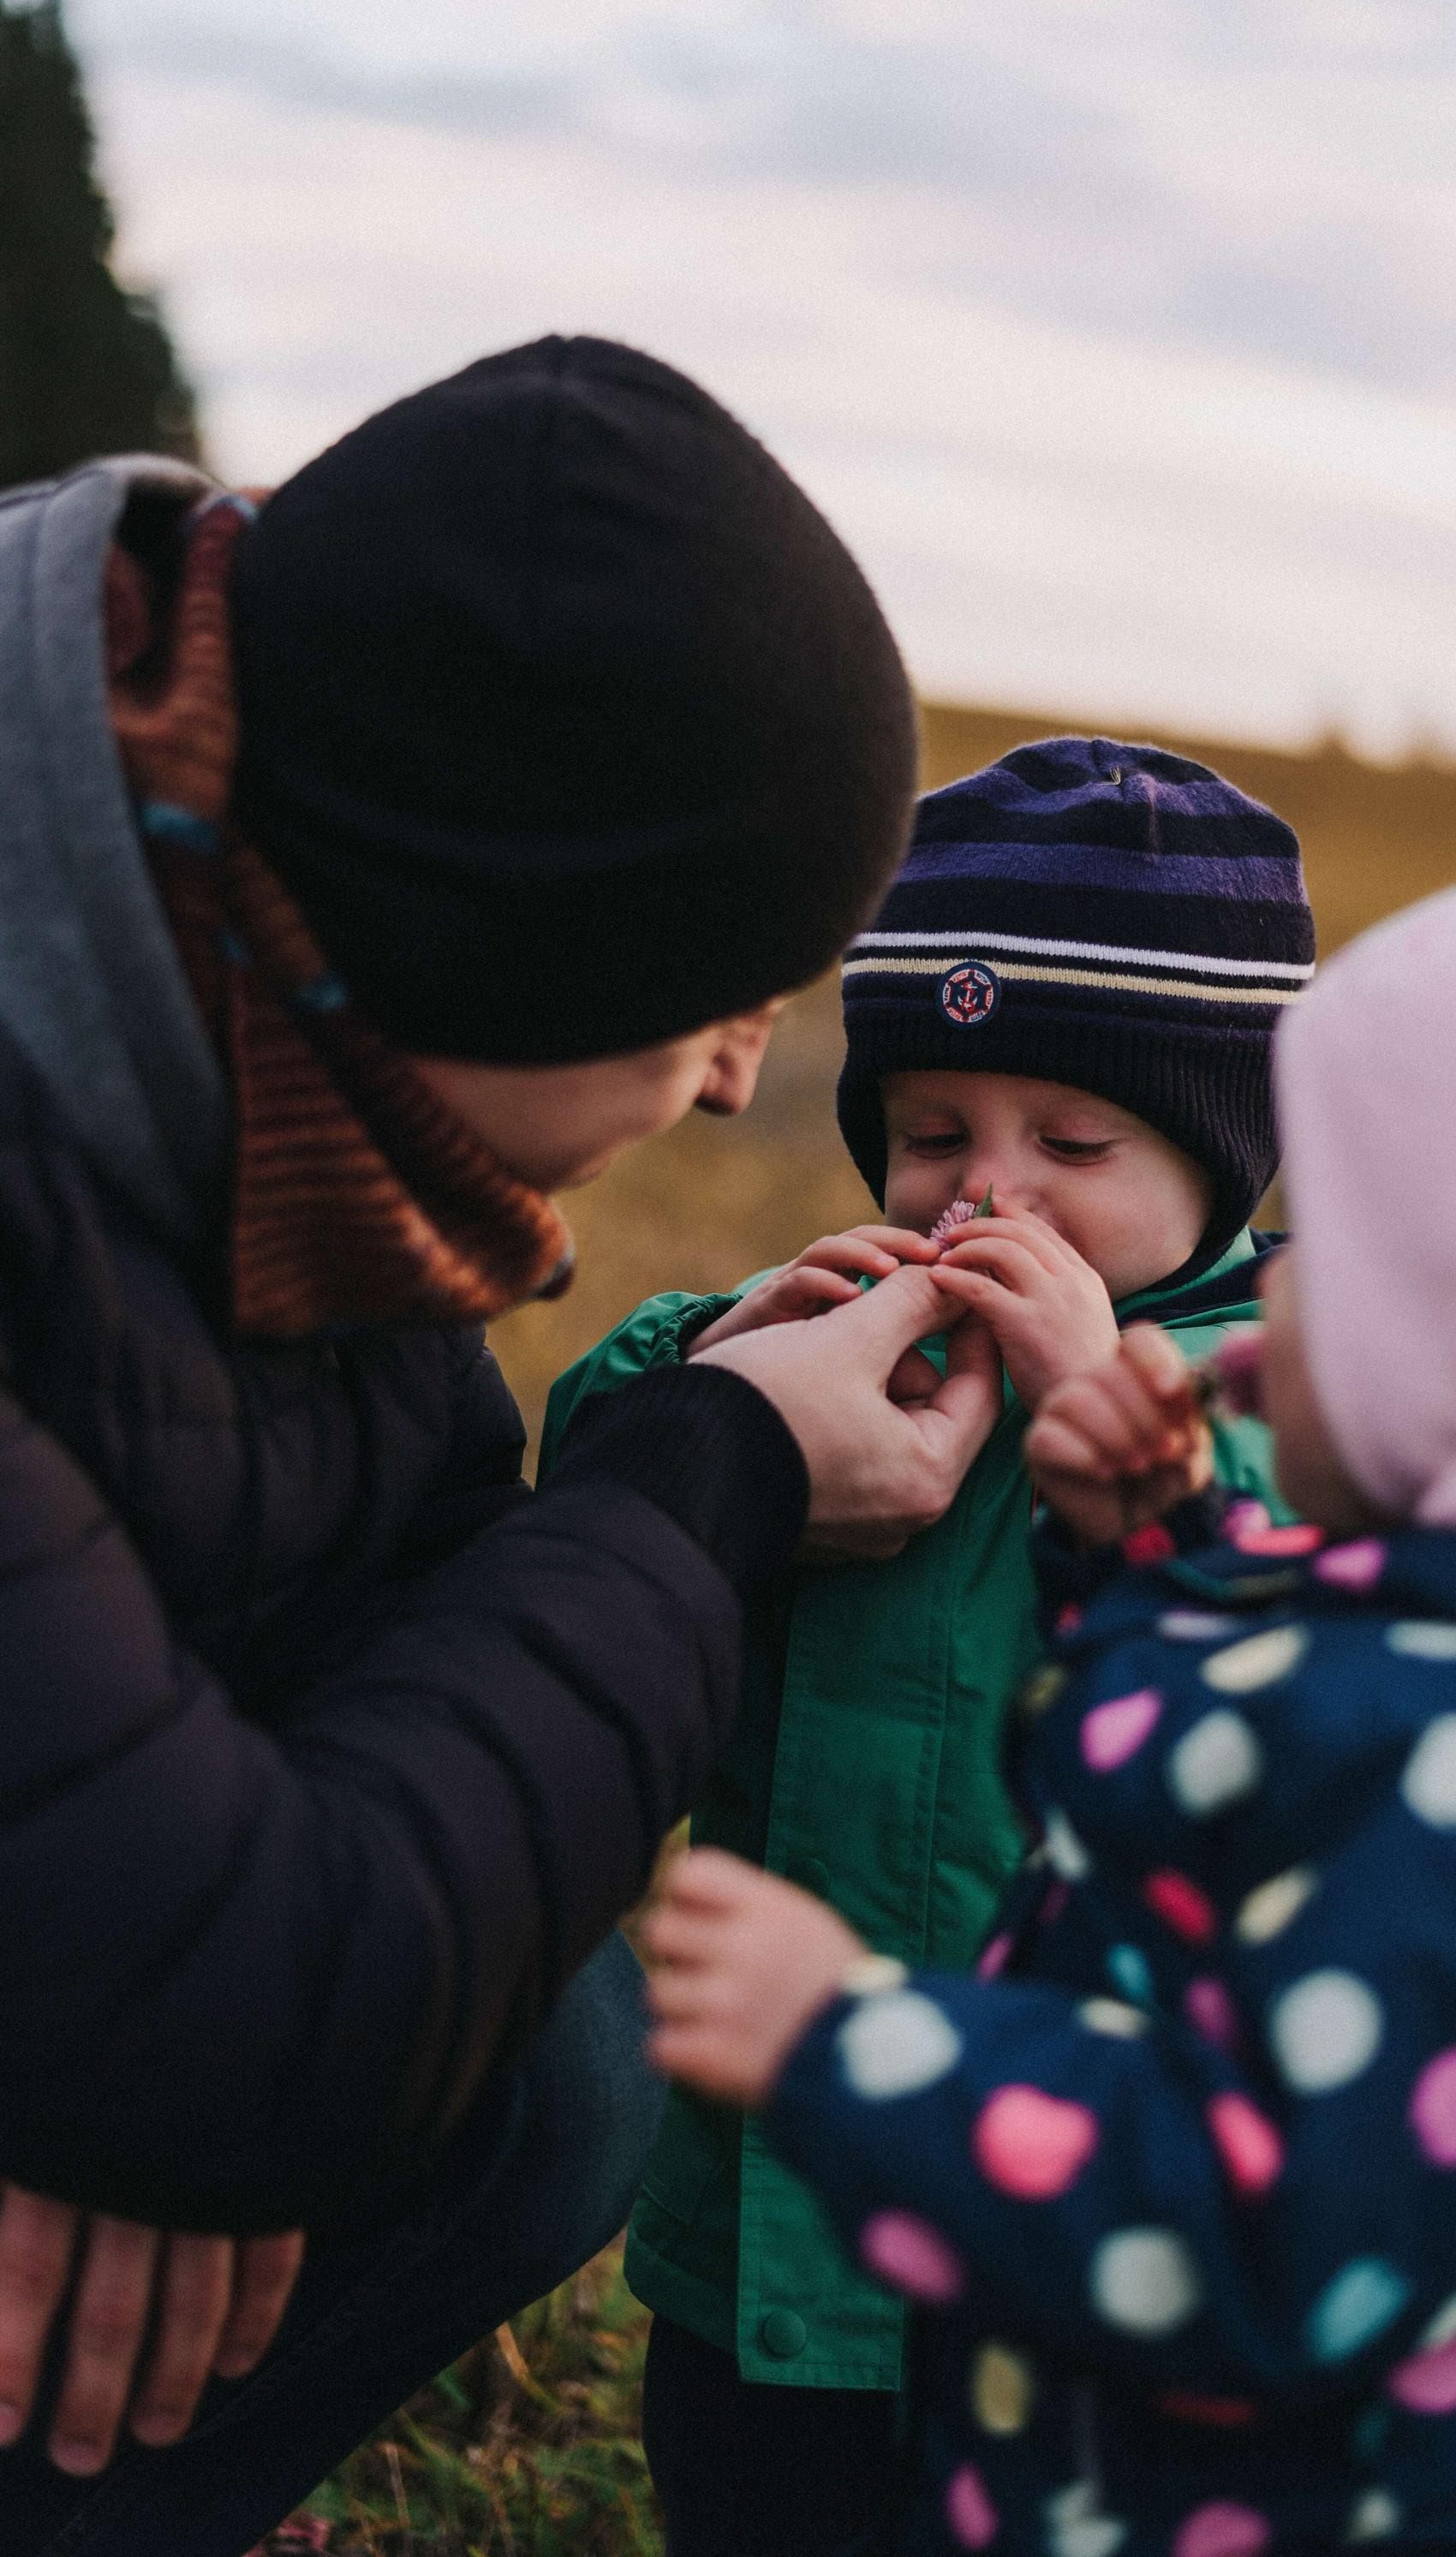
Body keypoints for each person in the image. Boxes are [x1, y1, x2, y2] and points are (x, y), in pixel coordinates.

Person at [0, 335, 1003, 2555]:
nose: (744, 1083)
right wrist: (717, 1473)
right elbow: (262, 2011)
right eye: (715, 993)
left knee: (534, 2064)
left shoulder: (235, 1005)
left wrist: (149, 2058)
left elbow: (387, 1579)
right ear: (496, 951)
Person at [647, 821, 1456, 2557]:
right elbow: (1279, 1761)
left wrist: (857, 2043)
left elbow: (1269, 2234)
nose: (1255, 1318)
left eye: (1329, 1274)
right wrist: (1164, 1549)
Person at [546, 736, 1315, 2555]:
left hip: (1073, 2237)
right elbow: (584, 1511)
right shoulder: (817, 1338)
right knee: (749, 2499)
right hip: (761, 2220)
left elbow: (1292, 1656)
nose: (992, 1193)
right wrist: (709, 1385)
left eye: (1073, 1142)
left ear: (1222, 1161)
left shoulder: (1280, 1398)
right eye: (932, 1128)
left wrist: (1118, 1420)